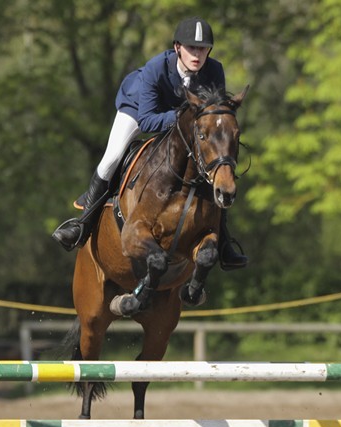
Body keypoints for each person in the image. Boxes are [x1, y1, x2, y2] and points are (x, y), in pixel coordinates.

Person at [52, 16, 247, 270]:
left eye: (202, 48)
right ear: (177, 47)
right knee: (113, 156)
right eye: (191, 48)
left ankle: (223, 243)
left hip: (186, 120)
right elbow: (146, 120)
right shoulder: (157, 67)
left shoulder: (214, 70)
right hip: (139, 109)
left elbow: (217, 113)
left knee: (214, 166)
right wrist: (183, 118)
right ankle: (83, 225)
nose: (197, 54)